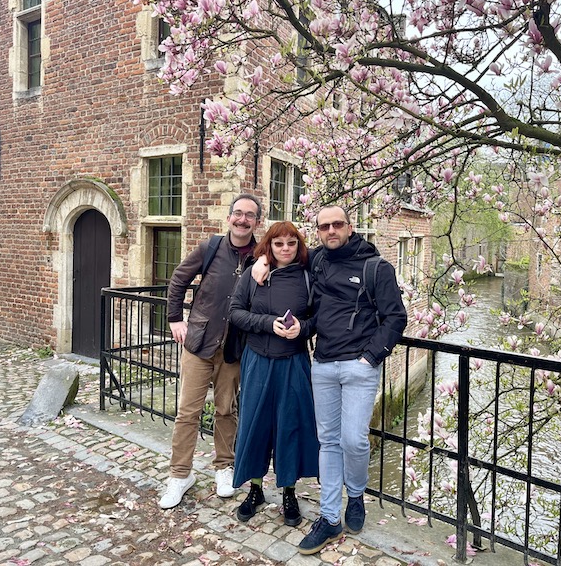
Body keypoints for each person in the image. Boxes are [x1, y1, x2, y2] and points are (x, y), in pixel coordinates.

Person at [252, 205, 407, 554]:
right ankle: (329, 517)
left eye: (337, 224)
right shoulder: (318, 260)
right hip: (322, 364)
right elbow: (284, 256)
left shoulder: (376, 267)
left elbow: (396, 317)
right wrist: (261, 260)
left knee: (354, 440)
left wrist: (370, 358)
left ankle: (356, 495)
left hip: (358, 366)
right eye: (324, 226)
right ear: (318, 231)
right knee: (329, 443)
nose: (331, 230)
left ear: (350, 227)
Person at [159, 193, 262, 509]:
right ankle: (180, 475)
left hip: (234, 349)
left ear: (257, 222)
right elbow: (179, 279)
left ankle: (223, 467)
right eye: (238, 213)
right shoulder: (211, 248)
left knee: (226, 411)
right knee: (187, 412)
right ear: (229, 217)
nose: (242, 219)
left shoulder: (261, 256)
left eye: (249, 215)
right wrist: (175, 318)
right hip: (199, 343)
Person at [228, 221, 319, 527]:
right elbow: (236, 312)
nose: (285, 249)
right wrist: (268, 324)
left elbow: (317, 318)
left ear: (299, 245)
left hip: (293, 363)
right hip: (257, 360)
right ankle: (255, 489)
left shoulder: (307, 276)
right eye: (278, 244)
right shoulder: (254, 274)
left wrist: (302, 328)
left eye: (291, 243)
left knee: (289, 426)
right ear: (269, 246)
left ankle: (289, 492)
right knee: (255, 425)